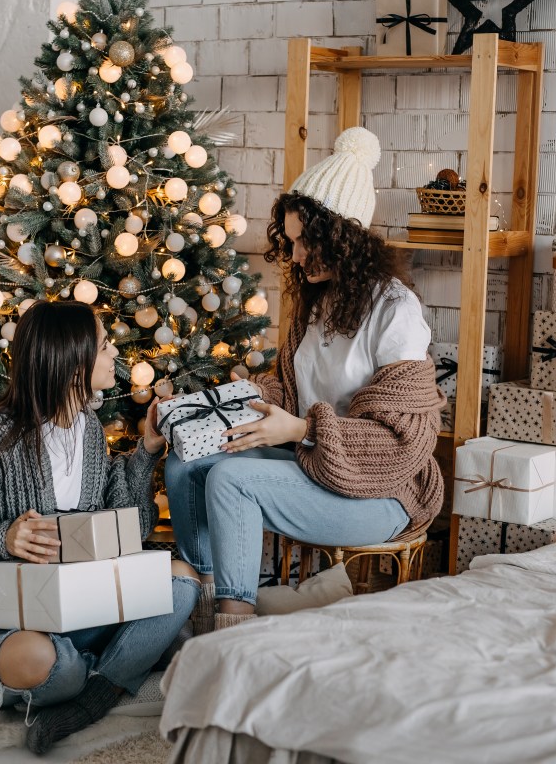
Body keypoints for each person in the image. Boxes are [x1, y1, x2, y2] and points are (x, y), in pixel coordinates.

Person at [164, 126, 445, 634]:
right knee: (190, 461)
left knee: (231, 480)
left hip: (380, 493)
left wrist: (299, 430)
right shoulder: (314, 305)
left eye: (302, 242)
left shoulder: (396, 311)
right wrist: (228, 403)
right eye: (289, 241)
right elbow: (289, 391)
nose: (293, 257)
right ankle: (202, 619)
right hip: (313, 465)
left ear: (341, 237)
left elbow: (404, 442)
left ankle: (234, 636)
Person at [0, 300, 199, 755]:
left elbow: (125, 524)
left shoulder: (88, 429)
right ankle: (114, 671)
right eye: (105, 345)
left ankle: (92, 694)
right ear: (74, 364)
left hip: (81, 613)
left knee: (182, 583)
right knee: (46, 661)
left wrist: (148, 449)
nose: (117, 354)